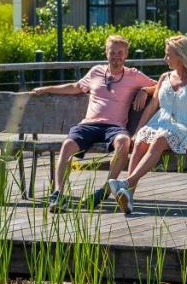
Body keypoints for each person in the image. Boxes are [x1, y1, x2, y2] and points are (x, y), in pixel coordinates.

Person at [30, 34, 154, 211]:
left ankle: (105, 191)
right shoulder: (96, 71)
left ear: (126, 55)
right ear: (106, 53)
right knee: (67, 145)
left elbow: (160, 86)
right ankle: (58, 194)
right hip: (88, 125)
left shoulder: (134, 75)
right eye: (112, 52)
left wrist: (144, 90)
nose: (116, 56)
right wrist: (47, 89)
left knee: (124, 142)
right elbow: (76, 87)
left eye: (120, 53)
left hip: (114, 126)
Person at [108, 35, 187, 214]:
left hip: (183, 127)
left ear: (182, 56)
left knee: (160, 139)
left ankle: (126, 183)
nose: (165, 59)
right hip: (158, 123)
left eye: (168, 55)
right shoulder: (165, 77)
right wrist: (138, 130)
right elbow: (152, 107)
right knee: (141, 141)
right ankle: (128, 194)